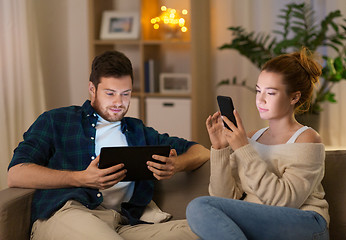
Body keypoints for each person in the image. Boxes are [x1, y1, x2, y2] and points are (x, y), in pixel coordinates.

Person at [7, 50, 209, 240]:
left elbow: (201, 152)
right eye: (110, 93)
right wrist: (81, 178)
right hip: (67, 213)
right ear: (92, 89)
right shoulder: (57, 120)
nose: (119, 102)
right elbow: (16, 173)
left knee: (207, 229)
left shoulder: (139, 132)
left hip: (123, 222)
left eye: (126, 93)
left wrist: (177, 165)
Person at [186, 47, 330, 240]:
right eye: (258, 91)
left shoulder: (307, 138)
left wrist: (243, 149)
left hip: (306, 223)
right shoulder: (251, 137)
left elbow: (284, 201)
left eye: (270, 93)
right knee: (200, 209)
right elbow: (223, 198)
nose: (260, 99)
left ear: (294, 97)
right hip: (263, 224)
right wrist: (220, 149)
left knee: (198, 207)